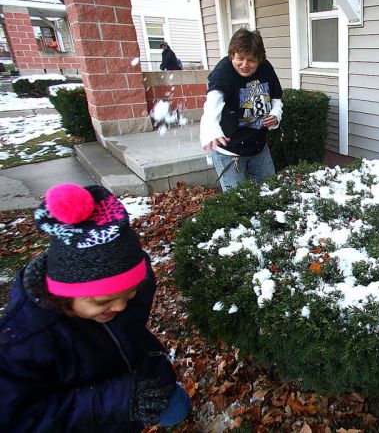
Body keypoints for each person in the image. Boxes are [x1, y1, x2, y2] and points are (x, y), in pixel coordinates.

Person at [0, 184, 191, 431]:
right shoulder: (25, 342)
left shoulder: (128, 289)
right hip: (93, 416)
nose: (122, 306)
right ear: (63, 296)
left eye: (130, 292)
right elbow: (22, 419)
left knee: (176, 409)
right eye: (102, 302)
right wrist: (117, 402)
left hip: (142, 378)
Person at [199, 28, 283, 190]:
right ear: (232, 55)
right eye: (240, 58)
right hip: (229, 152)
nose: (245, 65)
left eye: (251, 60)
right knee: (237, 199)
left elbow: (276, 98)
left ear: (260, 60)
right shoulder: (223, 72)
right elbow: (213, 101)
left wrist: (275, 114)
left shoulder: (266, 69)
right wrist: (211, 128)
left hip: (259, 146)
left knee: (271, 191)